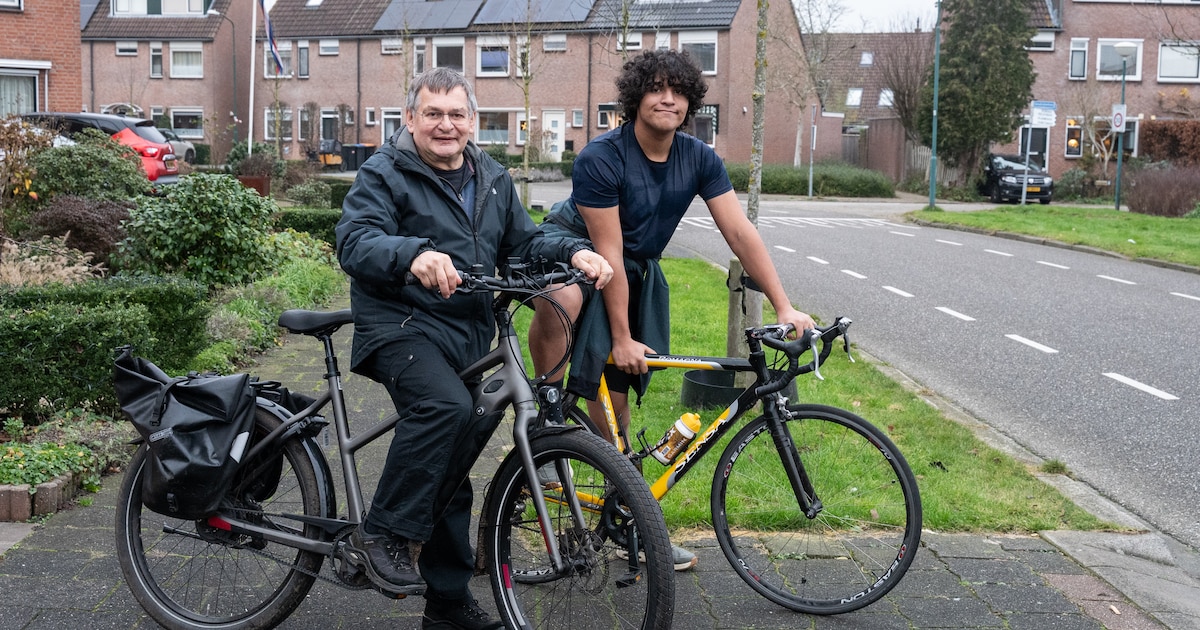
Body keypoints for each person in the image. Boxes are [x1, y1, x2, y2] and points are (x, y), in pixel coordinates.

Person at [336, 67, 612, 630]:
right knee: (444, 410)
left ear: (473, 122)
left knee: (451, 458)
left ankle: (447, 605)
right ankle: (382, 535)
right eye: (432, 113)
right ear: (410, 119)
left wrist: (573, 252)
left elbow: (526, 241)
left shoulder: (490, 176)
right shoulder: (384, 172)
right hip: (401, 325)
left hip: (463, 335)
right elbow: (356, 240)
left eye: (456, 114)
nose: (445, 125)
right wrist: (413, 254)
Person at [528, 49, 816, 572]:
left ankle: (624, 520)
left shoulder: (698, 157)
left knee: (615, 407)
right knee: (569, 318)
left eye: (679, 91)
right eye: (657, 88)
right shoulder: (602, 157)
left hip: (633, 270)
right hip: (577, 251)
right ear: (636, 97)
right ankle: (546, 418)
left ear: (690, 102)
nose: (668, 99)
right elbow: (607, 252)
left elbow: (738, 231)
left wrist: (785, 304)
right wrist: (620, 334)